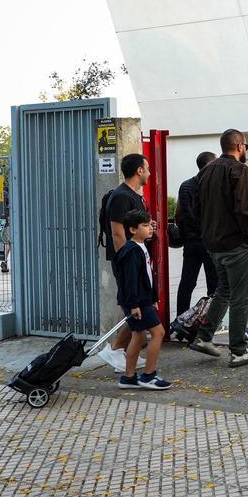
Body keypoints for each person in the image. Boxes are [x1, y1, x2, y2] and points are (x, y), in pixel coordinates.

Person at [190, 129, 248, 368]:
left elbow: (195, 207)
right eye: (246, 146)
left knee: (223, 290)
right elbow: (245, 208)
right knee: (240, 297)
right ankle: (238, 350)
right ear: (240, 146)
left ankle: (204, 337)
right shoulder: (239, 170)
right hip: (237, 244)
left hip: (214, 244)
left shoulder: (206, 171)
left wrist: (208, 233)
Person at [97, 154, 152, 372]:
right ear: (139, 170)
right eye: (147, 167)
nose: (149, 171)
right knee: (132, 305)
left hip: (135, 259)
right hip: (127, 261)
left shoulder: (133, 196)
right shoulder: (121, 197)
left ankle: (122, 352)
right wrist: (129, 261)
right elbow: (118, 234)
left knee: (129, 306)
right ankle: (115, 349)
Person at [112, 209, 171, 390]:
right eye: (145, 226)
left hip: (142, 299)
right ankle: (148, 376)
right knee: (158, 333)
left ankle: (129, 377)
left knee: (137, 337)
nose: (150, 228)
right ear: (132, 230)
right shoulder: (132, 251)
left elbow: (146, 276)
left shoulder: (140, 247)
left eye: (149, 224)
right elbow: (130, 281)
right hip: (137, 301)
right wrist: (135, 305)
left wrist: (152, 298)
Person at [175, 152, 218, 317]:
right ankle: (210, 320)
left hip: (191, 242)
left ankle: (181, 317)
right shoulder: (214, 186)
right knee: (213, 284)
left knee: (187, 282)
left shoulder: (185, 185)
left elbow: (178, 214)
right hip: (210, 242)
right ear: (210, 165)